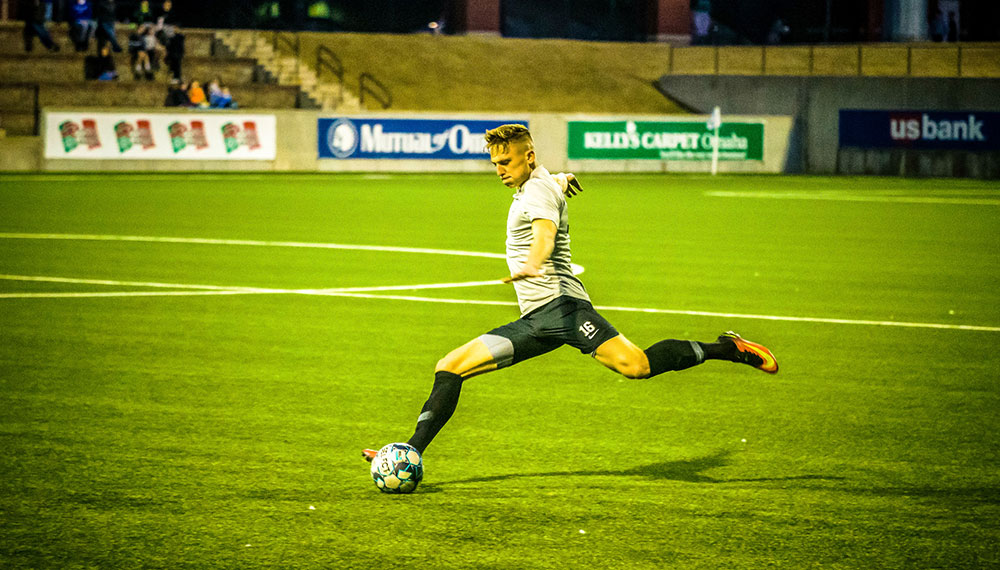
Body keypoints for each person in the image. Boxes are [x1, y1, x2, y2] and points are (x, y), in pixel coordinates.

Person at [362, 124, 778, 464]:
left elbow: (544, 230)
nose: (499, 170)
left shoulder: (538, 192)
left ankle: (728, 348)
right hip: (536, 323)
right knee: (450, 366)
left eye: (506, 161)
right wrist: (562, 178)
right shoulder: (541, 183)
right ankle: (408, 452)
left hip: (564, 309)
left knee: (637, 367)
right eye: (494, 163)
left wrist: (534, 260)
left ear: (528, 156)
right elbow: (550, 185)